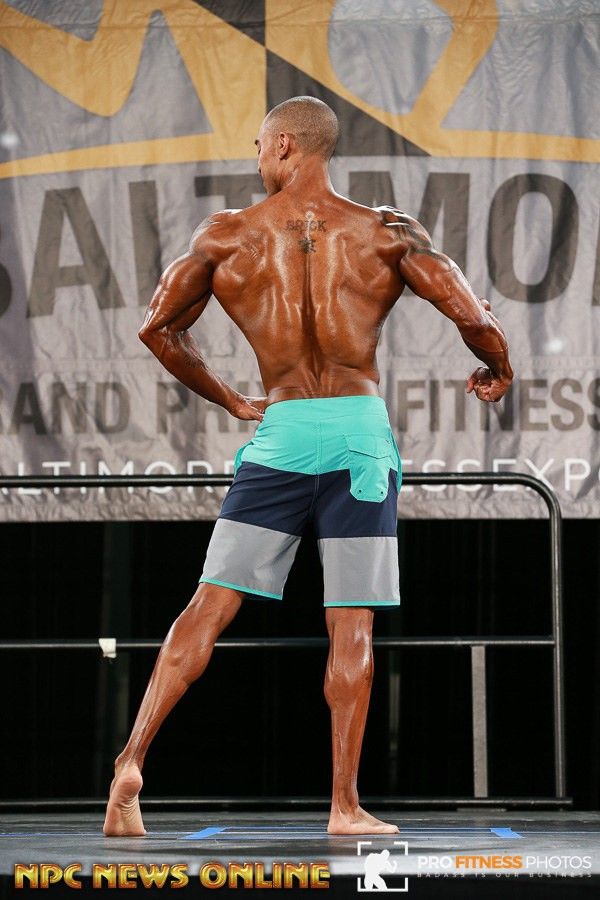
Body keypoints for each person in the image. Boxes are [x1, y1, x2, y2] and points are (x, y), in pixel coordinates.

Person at [103, 96, 513, 837]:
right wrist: (498, 368)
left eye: (260, 146)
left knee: (208, 605)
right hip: (358, 438)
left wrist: (232, 398)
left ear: (287, 144)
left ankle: (130, 764)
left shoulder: (226, 235)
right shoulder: (387, 231)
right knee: (350, 624)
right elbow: (471, 317)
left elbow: (157, 329)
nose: (257, 159)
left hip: (282, 434)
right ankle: (344, 807)